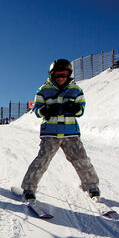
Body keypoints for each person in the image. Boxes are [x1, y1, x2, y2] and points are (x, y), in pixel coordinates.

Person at [20, 58, 101, 201]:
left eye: (64, 74)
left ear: (69, 74)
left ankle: (92, 187)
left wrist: (75, 108)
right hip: (50, 133)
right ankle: (29, 188)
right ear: (52, 75)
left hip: (71, 133)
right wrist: (46, 110)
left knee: (81, 159)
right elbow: (37, 110)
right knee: (43, 160)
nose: (61, 78)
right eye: (57, 75)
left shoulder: (76, 90)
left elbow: (81, 109)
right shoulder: (44, 90)